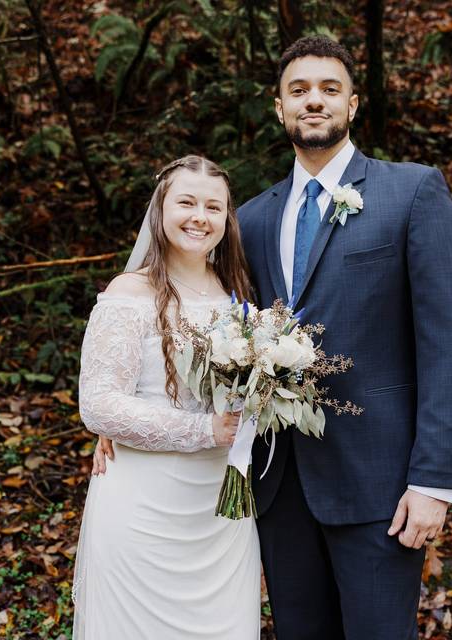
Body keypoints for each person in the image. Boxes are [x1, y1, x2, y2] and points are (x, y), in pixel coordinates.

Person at [234, 36, 452, 639]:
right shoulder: (251, 218)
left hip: (381, 483)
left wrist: (434, 481)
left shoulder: (412, 192)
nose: (313, 101)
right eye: (299, 90)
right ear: (279, 108)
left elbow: (451, 343)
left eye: (328, 89)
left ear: (353, 104)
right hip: (280, 484)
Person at [71, 155, 261, 639]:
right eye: (187, 202)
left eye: (214, 207)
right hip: (144, 506)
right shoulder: (129, 292)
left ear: (226, 219)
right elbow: (98, 404)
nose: (200, 216)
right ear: (160, 210)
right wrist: (204, 430)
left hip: (222, 509)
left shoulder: (237, 293)